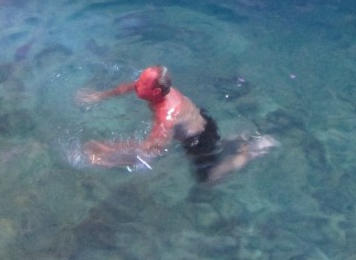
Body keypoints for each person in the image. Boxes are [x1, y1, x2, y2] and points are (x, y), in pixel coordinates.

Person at [77, 65, 276, 183]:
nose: (137, 85)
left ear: (155, 92)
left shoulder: (166, 114)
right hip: (201, 122)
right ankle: (238, 141)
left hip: (197, 139)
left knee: (207, 178)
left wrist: (109, 154)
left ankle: (251, 152)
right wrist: (99, 96)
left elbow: (153, 151)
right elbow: (127, 88)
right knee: (216, 144)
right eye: (140, 81)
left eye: (142, 85)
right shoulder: (156, 88)